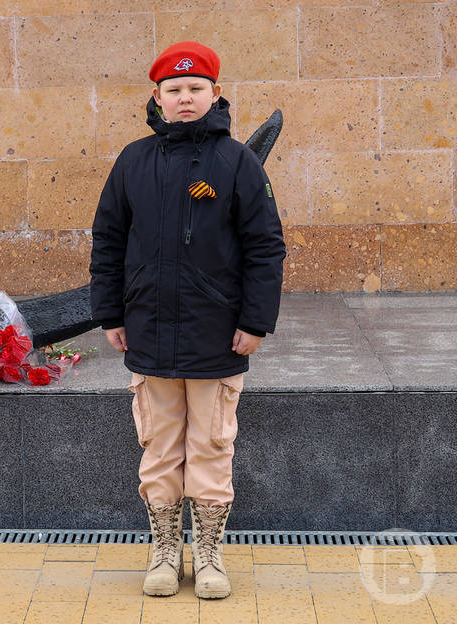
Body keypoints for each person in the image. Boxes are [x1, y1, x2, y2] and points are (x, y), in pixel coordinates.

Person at [89, 41, 286, 599]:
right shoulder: (133, 161)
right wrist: (110, 312)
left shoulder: (238, 163)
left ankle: (209, 555)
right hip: (148, 330)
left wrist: (255, 321)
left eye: (196, 88)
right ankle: (164, 552)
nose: (184, 98)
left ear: (215, 93)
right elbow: (108, 240)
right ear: (157, 97)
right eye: (173, 89)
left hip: (216, 334)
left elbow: (265, 247)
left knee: (211, 447)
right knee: (159, 447)